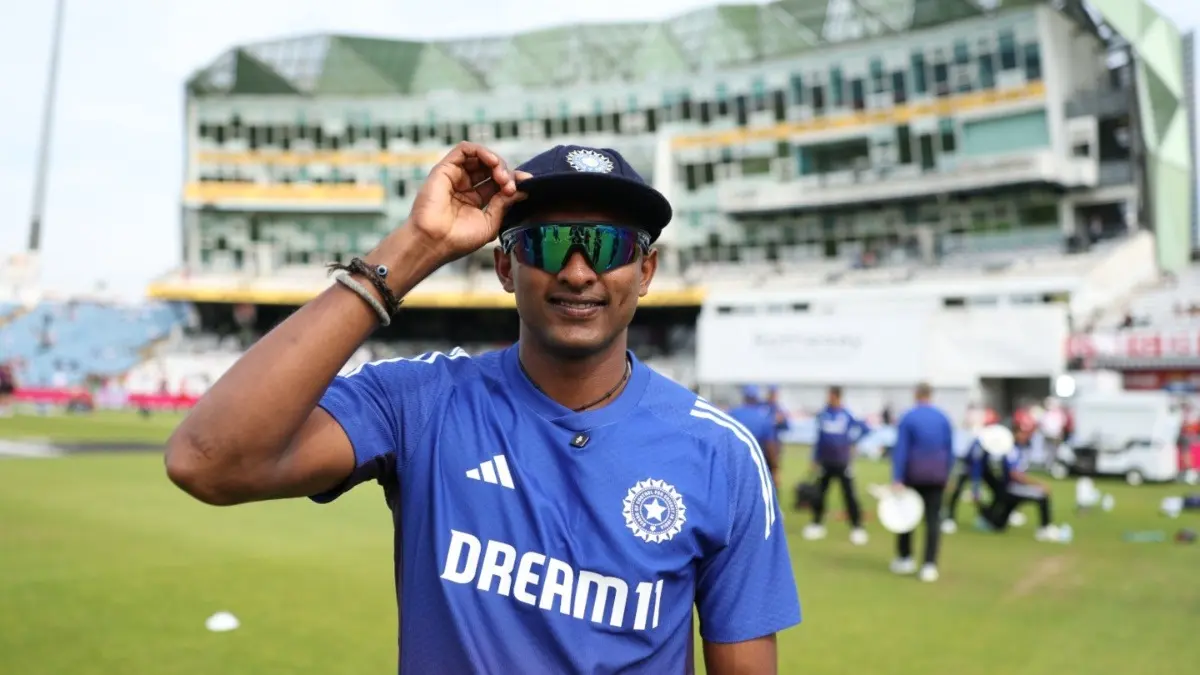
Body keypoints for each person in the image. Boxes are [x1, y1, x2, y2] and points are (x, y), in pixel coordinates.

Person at [164, 143, 801, 674]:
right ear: (504, 266)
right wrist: (416, 245)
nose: (578, 272)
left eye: (607, 247)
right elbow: (207, 461)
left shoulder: (720, 452)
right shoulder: (418, 402)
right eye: (549, 245)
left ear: (647, 270)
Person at [889, 382, 954, 583]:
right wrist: (947, 474)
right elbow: (950, 450)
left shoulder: (908, 417)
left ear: (916, 394)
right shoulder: (943, 418)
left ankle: (905, 557)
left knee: (907, 515)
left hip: (913, 474)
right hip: (936, 475)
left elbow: (901, 449)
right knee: (933, 520)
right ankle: (929, 565)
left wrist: (897, 477)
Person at [803, 386, 869, 545]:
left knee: (849, 495)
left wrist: (853, 443)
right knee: (820, 493)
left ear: (837, 397)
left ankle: (857, 527)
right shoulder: (823, 414)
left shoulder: (847, 414)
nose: (828, 398)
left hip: (843, 461)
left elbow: (865, 429)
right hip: (825, 461)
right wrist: (815, 458)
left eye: (831, 395)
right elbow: (819, 438)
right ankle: (816, 524)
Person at [980, 425, 1064, 541]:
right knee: (1042, 495)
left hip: (1009, 488)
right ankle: (1045, 529)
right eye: (1024, 433)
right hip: (1012, 488)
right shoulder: (1012, 449)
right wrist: (1037, 483)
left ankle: (987, 517)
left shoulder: (1018, 448)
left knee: (999, 525)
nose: (1026, 436)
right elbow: (1015, 474)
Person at [729, 386, 782, 492]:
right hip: (759, 462)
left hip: (737, 462)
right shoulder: (763, 416)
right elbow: (770, 445)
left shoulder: (733, 414)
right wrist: (775, 468)